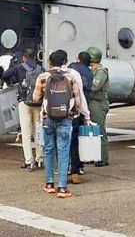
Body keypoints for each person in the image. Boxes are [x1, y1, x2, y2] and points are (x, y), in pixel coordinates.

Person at [32, 50, 84, 199]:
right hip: (65, 118)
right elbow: (78, 101)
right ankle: (62, 187)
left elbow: (36, 98)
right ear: (64, 62)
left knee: (48, 149)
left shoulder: (43, 77)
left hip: (48, 118)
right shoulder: (70, 77)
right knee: (63, 151)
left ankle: (49, 184)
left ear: (49, 62)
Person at [2, 48, 43, 171]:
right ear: (35, 57)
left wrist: (10, 83)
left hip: (24, 102)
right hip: (38, 103)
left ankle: (29, 161)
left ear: (24, 57)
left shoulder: (19, 67)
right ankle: (40, 159)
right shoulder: (41, 68)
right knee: (38, 132)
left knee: (26, 133)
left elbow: (5, 75)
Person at [67, 52, 93, 182]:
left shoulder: (72, 69)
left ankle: (68, 167)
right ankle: (79, 167)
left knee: (67, 141)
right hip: (82, 109)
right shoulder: (90, 72)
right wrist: (86, 114)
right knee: (79, 140)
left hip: (69, 110)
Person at [86, 47, 110, 167]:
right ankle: (93, 155)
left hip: (98, 103)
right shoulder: (92, 71)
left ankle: (103, 157)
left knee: (99, 130)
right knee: (91, 131)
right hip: (92, 102)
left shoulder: (101, 72)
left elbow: (94, 86)